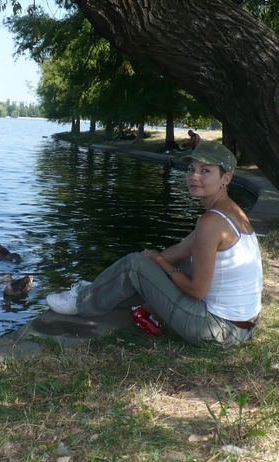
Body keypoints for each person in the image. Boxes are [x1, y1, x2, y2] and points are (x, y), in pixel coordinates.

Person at [46, 141, 262, 348]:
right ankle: (99, 290)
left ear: (225, 178)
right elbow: (181, 249)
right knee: (159, 264)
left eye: (205, 171)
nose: (194, 176)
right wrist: (150, 265)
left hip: (218, 331)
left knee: (133, 265)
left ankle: (82, 302)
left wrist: (156, 262)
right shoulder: (231, 211)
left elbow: (197, 291)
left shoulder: (211, 222)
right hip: (244, 326)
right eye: (191, 169)